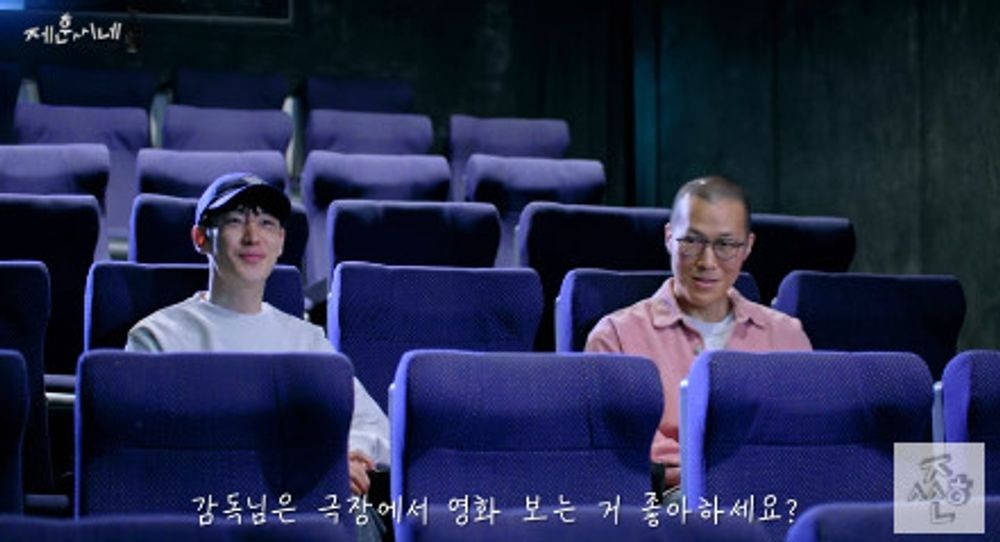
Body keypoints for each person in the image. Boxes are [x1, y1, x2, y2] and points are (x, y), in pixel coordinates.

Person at [126, 172, 389, 497]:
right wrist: (303, 461)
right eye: (235, 221)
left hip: (299, 503)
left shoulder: (307, 341)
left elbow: (375, 427)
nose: (253, 237)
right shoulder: (158, 338)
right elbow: (154, 451)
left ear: (280, 241)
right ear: (201, 238)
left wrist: (344, 455)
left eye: (266, 223)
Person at [585, 175, 811, 490]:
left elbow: (804, 440)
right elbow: (624, 450)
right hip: (671, 499)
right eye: (692, 242)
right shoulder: (615, 337)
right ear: (669, 238)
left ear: (747, 247)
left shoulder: (787, 336)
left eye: (726, 245)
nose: (707, 262)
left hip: (775, 492)